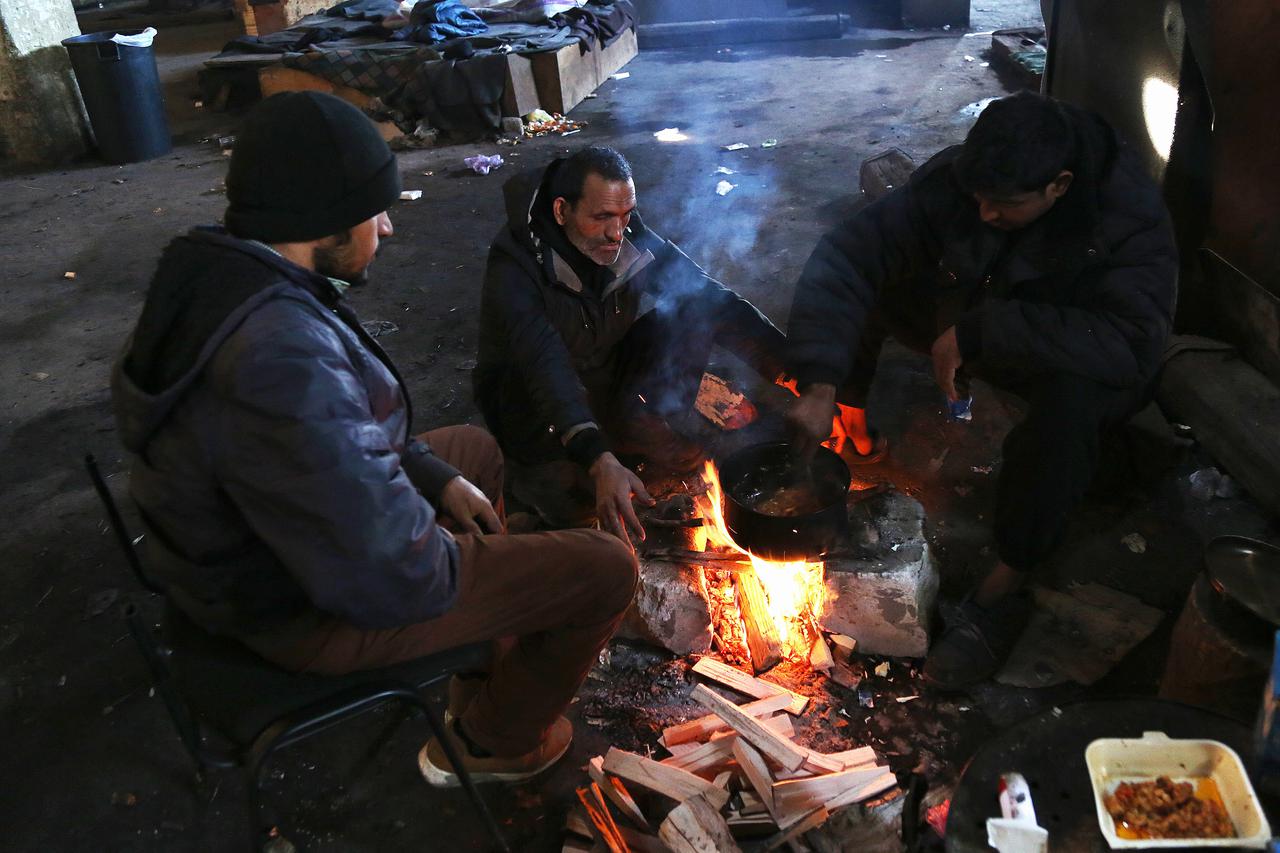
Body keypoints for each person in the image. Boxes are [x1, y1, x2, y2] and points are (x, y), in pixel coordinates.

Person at [110, 92, 637, 786]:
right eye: (373, 211)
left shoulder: (230, 273)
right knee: (605, 569)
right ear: (321, 220)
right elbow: (396, 572)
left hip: (259, 549)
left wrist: (435, 479)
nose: (386, 229)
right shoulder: (279, 359)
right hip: (295, 607)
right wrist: (463, 553)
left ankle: (488, 665)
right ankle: (492, 741)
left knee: (472, 455)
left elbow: (346, 438)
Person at [785, 92, 1178, 689]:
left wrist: (979, 330)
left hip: (1075, 350)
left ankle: (1005, 586)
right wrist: (820, 379)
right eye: (978, 200)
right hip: (980, 314)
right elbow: (849, 254)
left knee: (1065, 420)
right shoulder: (964, 184)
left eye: (1005, 205)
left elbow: (1131, 344)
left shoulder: (1127, 218)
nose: (986, 213)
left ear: (1059, 186)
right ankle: (850, 416)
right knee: (868, 285)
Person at [474, 146, 791, 548]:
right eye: (602, 217)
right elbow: (545, 367)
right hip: (531, 403)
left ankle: (637, 425)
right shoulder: (514, 270)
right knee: (577, 510)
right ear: (561, 211)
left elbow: (708, 295)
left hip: (602, 363)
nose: (616, 232)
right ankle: (568, 458)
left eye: (625, 215)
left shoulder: (627, 233)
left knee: (694, 307)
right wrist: (596, 456)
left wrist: (793, 371)